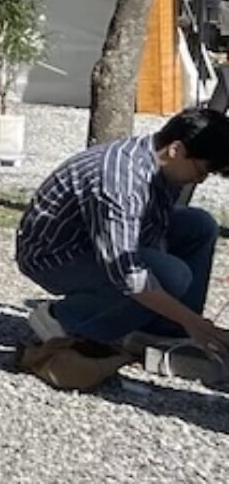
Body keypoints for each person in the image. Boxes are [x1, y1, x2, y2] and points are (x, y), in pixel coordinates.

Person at [17, 108, 229, 360]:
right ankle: (66, 320)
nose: (201, 180)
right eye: (202, 170)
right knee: (172, 275)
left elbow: (154, 230)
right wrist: (192, 320)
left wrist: (175, 311)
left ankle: (161, 332)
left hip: (96, 238)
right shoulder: (120, 182)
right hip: (54, 256)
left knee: (199, 225)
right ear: (175, 150)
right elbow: (127, 274)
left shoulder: (161, 164)